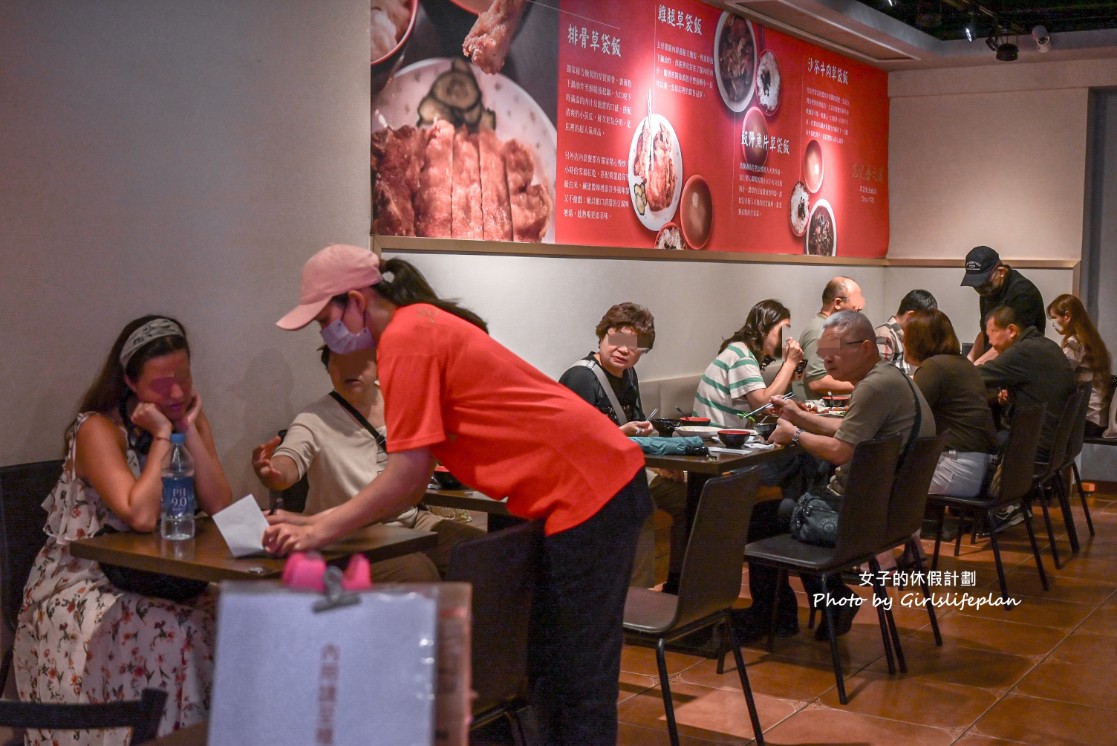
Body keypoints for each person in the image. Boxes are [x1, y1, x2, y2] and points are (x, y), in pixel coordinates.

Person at [265, 244, 651, 744]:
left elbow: (407, 476)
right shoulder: (419, 324)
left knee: (577, 676)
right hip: (589, 486)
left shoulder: (405, 335)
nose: (325, 334)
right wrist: (320, 523)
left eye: (324, 319)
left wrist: (319, 525)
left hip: (590, 489)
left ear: (356, 300)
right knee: (552, 668)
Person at [15, 315, 232, 744]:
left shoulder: (188, 418)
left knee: (233, 612)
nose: (176, 392)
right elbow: (140, 515)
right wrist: (165, 437)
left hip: (158, 575)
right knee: (174, 630)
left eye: (183, 377)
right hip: (82, 582)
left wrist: (188, 429)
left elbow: (222, 506)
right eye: (161, 383)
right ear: (130, 383)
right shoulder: (97, 429)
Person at [735, 311, 934, 642]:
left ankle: (775, 616)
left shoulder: (873, 388)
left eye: (836, 349)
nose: (826, 358)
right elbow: (848, 430)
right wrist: (799, 416)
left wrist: (795, 436)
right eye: (824, 350)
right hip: (891, 515)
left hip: (857, 520)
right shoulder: (891, 380)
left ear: (867, 347)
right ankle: (830, 602)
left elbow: (841, 451)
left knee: (760, 519)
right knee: (788, 504)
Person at [251, 345, 483, 581]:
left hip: (411, 520)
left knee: (486, 552)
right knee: (416, 570)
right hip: (348, 532)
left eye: (360, 363)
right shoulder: (314, 419)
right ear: (328, 368)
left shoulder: (402, 403)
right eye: (339, 363)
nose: (349, 371)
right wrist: (273, 473)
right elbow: (288, 461)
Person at [558, 303, 687, 590]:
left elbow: (637, 430)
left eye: (635, 345)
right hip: (587, 479)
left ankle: (679, 586)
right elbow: (570, 445)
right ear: (602, 337)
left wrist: (660, 460)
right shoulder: (581, 377)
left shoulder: (628, 375)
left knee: (691, 500)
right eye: (617, 339)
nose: (624, 350)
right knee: (636, 506)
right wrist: (619, 434)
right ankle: (635, 602)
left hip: (626, 469)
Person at [905, 309, 997, 497]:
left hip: (956, 470)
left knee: (876, 480)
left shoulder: (934, 367)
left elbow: (907, 416)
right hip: (978, 468)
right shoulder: (961, 364)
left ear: (917, 340)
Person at [979, 305, 1076, 462]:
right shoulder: (1045, 344)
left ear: (1011, 330)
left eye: (992, 334)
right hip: (1056, 443)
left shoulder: (1023, 351)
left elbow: (976, 377)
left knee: (973, 444)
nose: (990, 342)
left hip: (1035, 446)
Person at [693, 299, 803, 424]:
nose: (787, 338)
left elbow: (761, 402)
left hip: (720, 434)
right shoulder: (742, 357)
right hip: (716, 437)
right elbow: (762, 404)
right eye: (782, 330)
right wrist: (790, 364)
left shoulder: (739, 349)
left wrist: (787, 377)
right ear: (765, 329)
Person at [961, 246, 1045, 364]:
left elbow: (1011, 341)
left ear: (1001, 271)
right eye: (976, 286)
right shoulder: (988, 291)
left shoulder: (1023, 293)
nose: (981, 290)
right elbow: (986, 332)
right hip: (996, 363)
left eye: (985, 284)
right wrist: (969, 360)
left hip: (1020, 365)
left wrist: (977, 366)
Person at [1047, 293, 1112, 438]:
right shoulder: (1092, 341)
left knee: (1037, 425)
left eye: (1054, 318)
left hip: (1085, 418)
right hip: (1098, 418)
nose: (1052, 323)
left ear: (1067, 316)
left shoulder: (1074, 342)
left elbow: (1060, 374)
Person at [799, 276, 866, 399]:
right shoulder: (822, 331)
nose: (860, 307)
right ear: (838, 303)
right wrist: (864, 383)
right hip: (815, 413)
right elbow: (817, 382)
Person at [875, 289, 937, 374]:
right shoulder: (886, 334)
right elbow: (878, 375)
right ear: (911, 315)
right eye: (923, 322)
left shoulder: (905, 336)